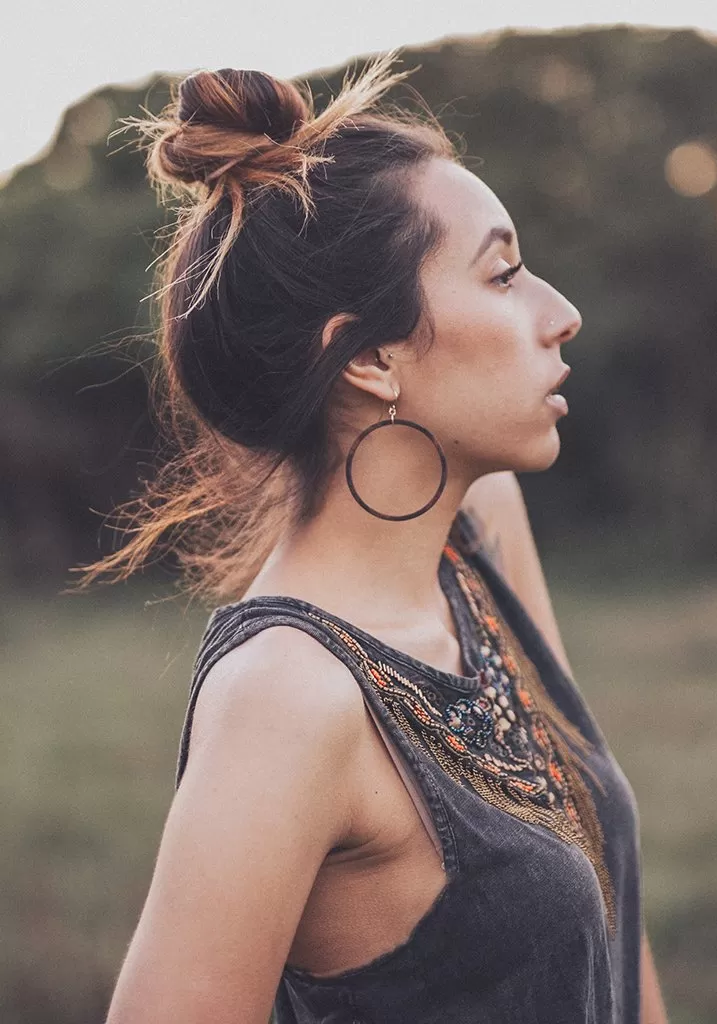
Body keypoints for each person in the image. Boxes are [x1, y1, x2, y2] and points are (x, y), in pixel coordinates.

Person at [78, 48, 668, 1023]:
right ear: (372, 356)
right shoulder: (288, 699)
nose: (561, 315)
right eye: (505, 273)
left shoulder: (476, 539)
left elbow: (608, 912)